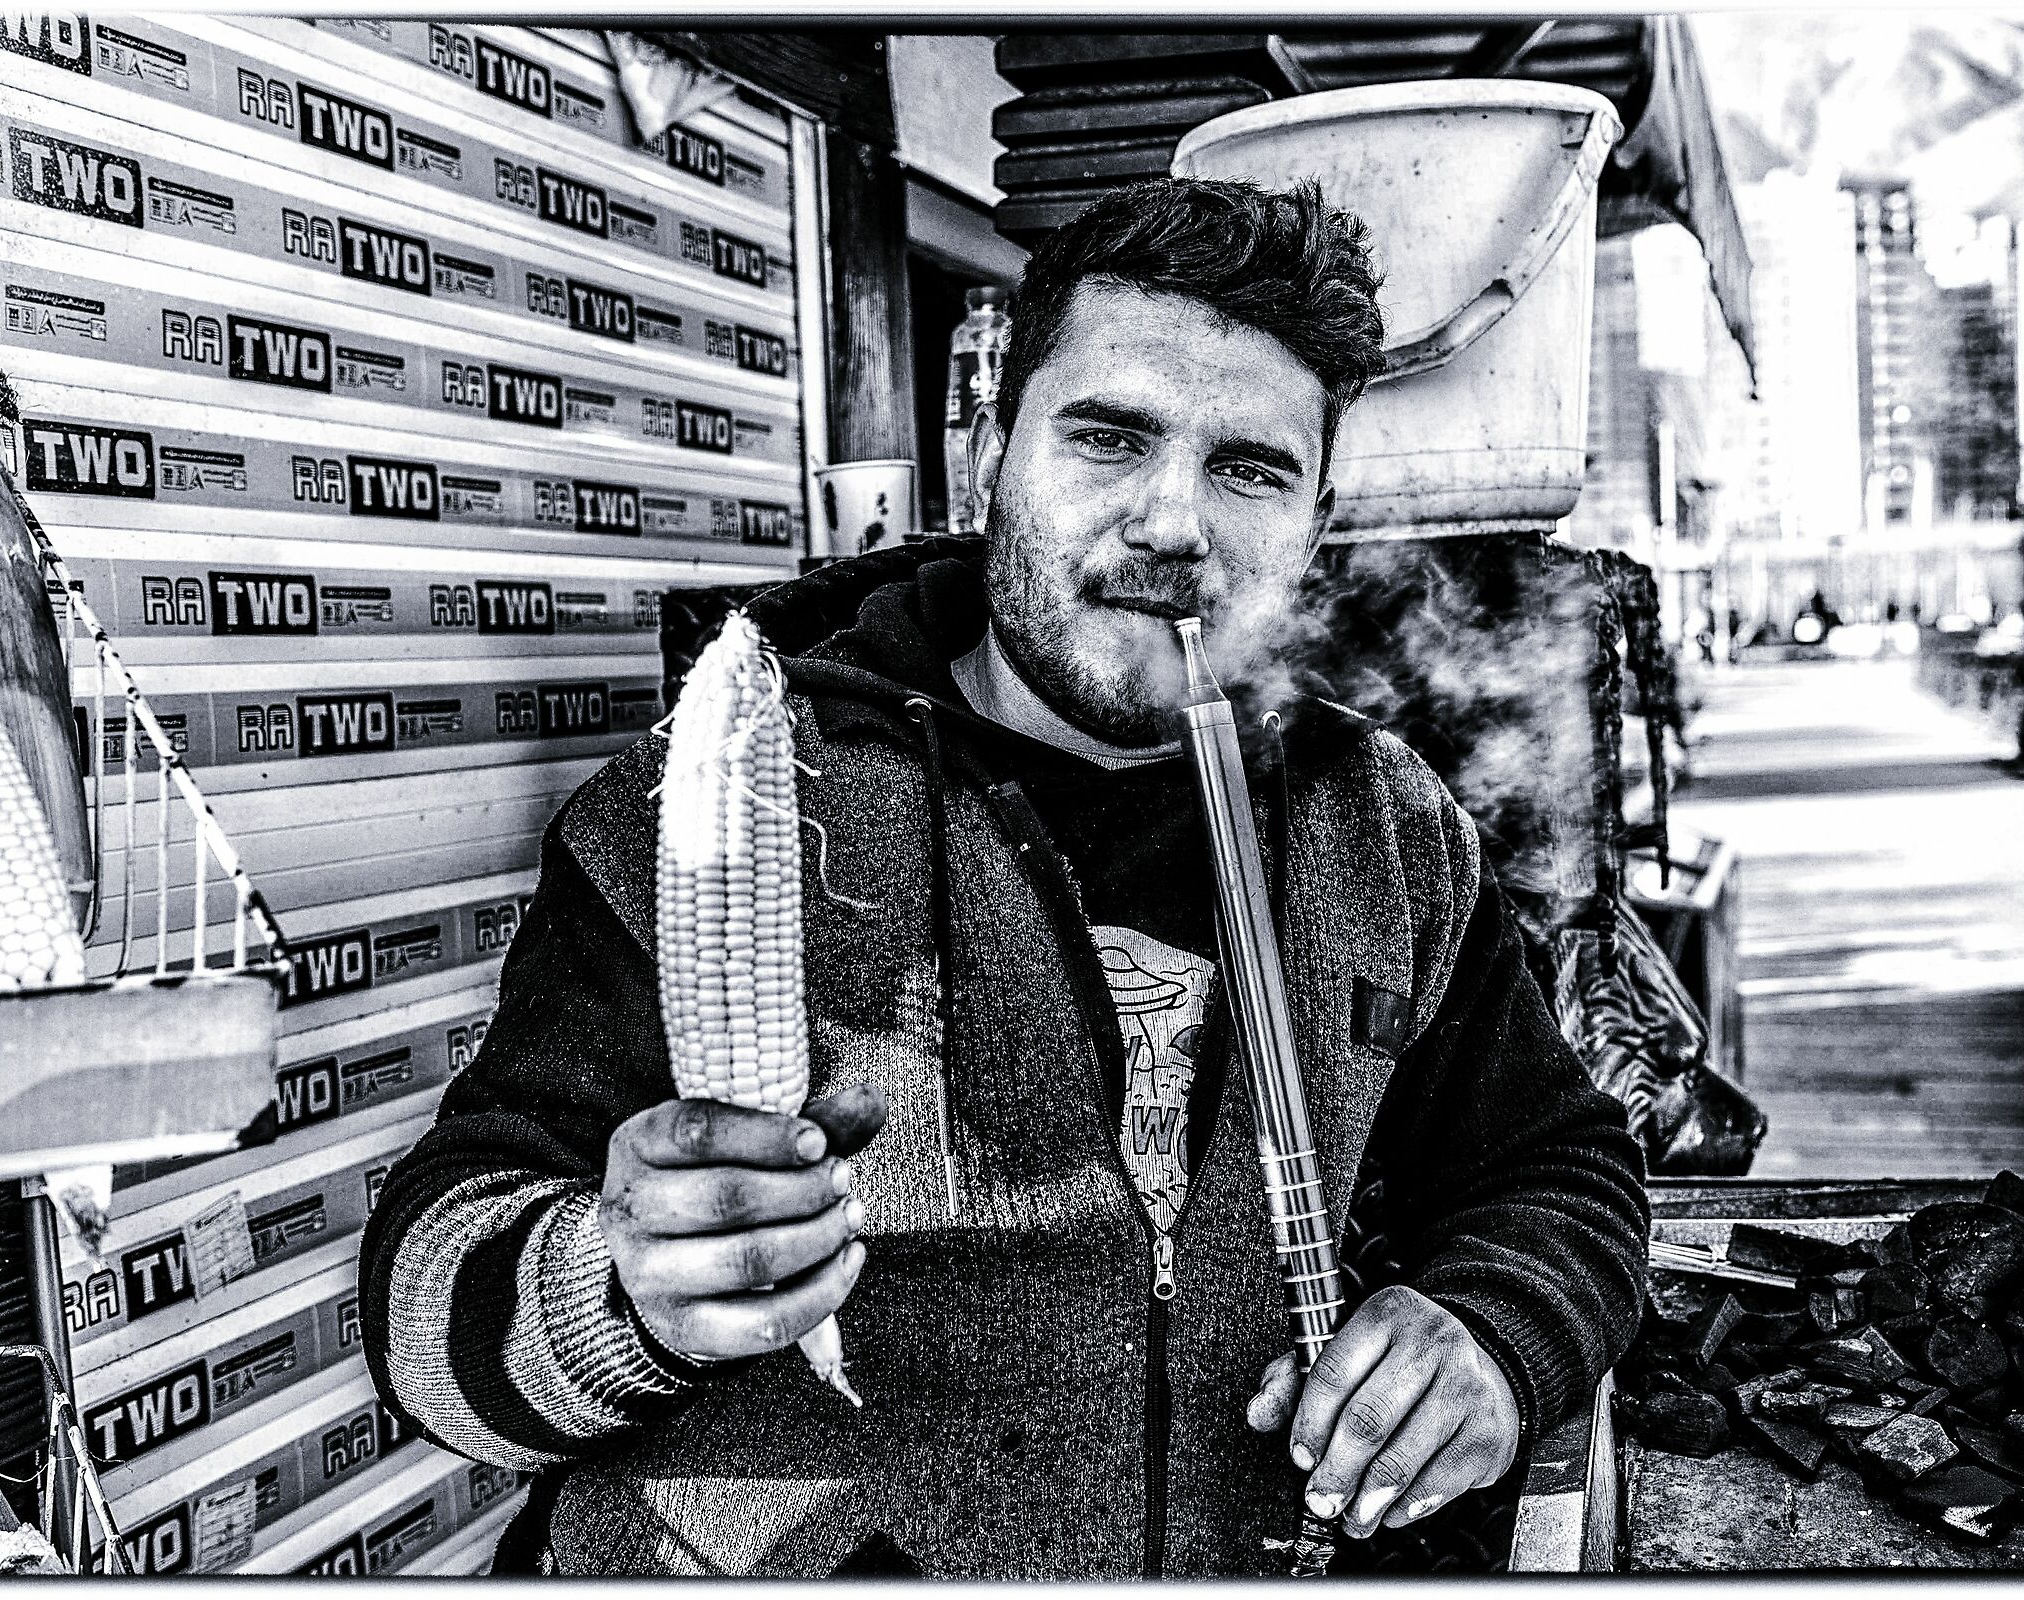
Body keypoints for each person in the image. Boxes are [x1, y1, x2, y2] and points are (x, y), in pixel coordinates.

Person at [360, 176, 1649, 1578]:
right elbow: (428, 1311)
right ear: (991, 449)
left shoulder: (1381, 827)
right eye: (1109, 437)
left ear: (1318, 519)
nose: (1174, 523)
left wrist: (1493, 1330)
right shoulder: (722, 803)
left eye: (1250, 468)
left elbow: (1560, 1170)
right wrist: (611, 1289)